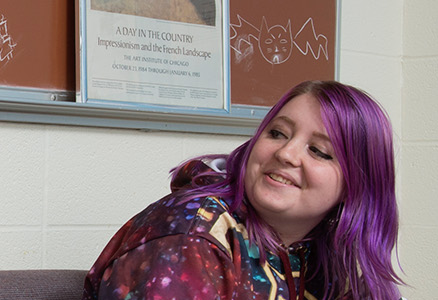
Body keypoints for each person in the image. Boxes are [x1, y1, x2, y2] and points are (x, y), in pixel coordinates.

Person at [83, 81, 403, 299]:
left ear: (356, 185)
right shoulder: (190, 235)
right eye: (277, 133)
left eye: (318, 151)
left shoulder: (336, 257)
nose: (286, 154)